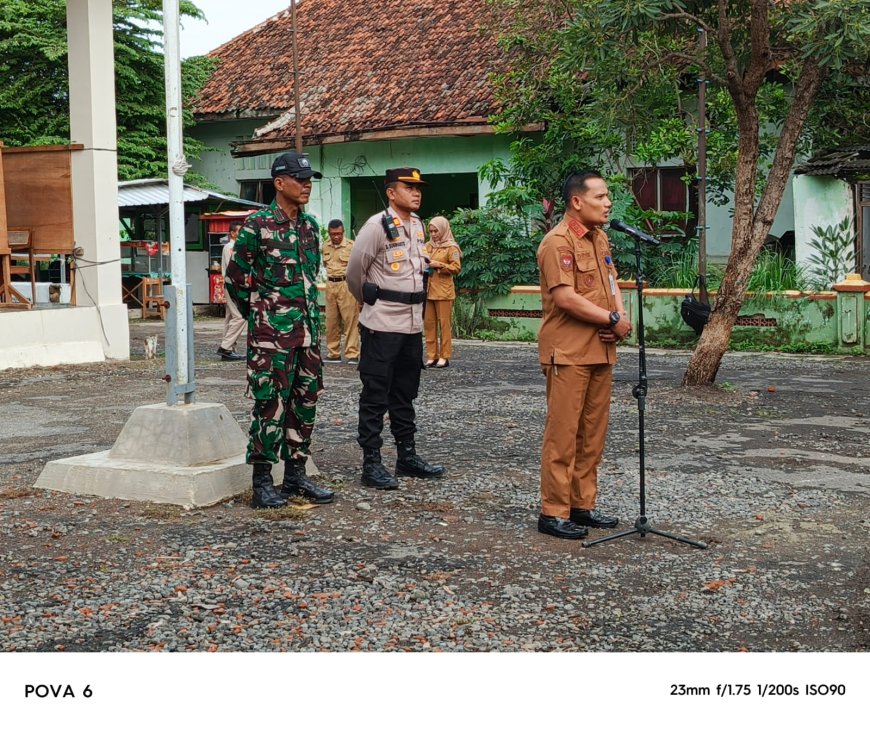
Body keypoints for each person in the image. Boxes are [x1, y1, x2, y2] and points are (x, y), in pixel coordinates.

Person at [224, 151, 335, 509]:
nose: (306, 185)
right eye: (299, 179)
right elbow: (236, 281)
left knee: (305, 403)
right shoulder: (257, 226)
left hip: (307, 335)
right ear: (278, 183)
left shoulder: (310, 227)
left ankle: (295, 476)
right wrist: (263, 317)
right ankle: (261, 481)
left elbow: (309, 277)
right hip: (271, 338)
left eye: (309, 179)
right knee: (269, 406)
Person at [536, 171, 632, 539]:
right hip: (568, 352)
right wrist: (611, 318)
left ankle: (582, 504)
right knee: (563, 433)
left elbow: (611, 283)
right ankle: (553, 511)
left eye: (608, 197)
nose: (608, 203)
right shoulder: (557, 242)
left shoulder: (600, 238)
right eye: (601, 196)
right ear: (577, 201)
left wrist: (620, 318)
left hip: (600, 349)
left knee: (592, 434)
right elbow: (565, 297)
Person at [346, 167, 445, 490]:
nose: (416, 193)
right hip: (382, 323)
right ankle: (371, 464)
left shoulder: (417, 225)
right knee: (375, 394)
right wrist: (368, 301)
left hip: (412, 324)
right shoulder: (376, 226)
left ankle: (407, 456)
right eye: (409, 187)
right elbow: (354, 273)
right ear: (391, 192)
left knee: (404, 392)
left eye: (419, 188)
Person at [423, 216, 462, 368]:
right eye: (431, 231)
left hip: (444, 291)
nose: (433, 234)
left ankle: (444, 356)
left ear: (444, 230)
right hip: (428, 289)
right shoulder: (428, 246)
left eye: (436, 231)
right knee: (429, 324)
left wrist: (439, 265)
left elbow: (456, 268)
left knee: (444, 325)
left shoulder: (452, 247)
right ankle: (432, 355)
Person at [322, 219, 360, 364]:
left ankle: (352, 353)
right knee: (331, 321)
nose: (336, 237)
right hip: (330, 285)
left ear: (343, 232)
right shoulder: (325, 246)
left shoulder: (351, 246)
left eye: (338, 233)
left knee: (350, 320)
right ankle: (333, 353)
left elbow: (358, 267)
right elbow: (325, 265)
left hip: (346, 284)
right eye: (333, 234)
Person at [216, 222, 245, 361]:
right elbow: (233, 269)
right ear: (233, 233)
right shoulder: (231, 247)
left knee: (231, 318)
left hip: (232, 284)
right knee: (240, 316)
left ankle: (228, 348)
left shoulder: (234, 247)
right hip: (234, 285)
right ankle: (226, 347)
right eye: (240, 231)